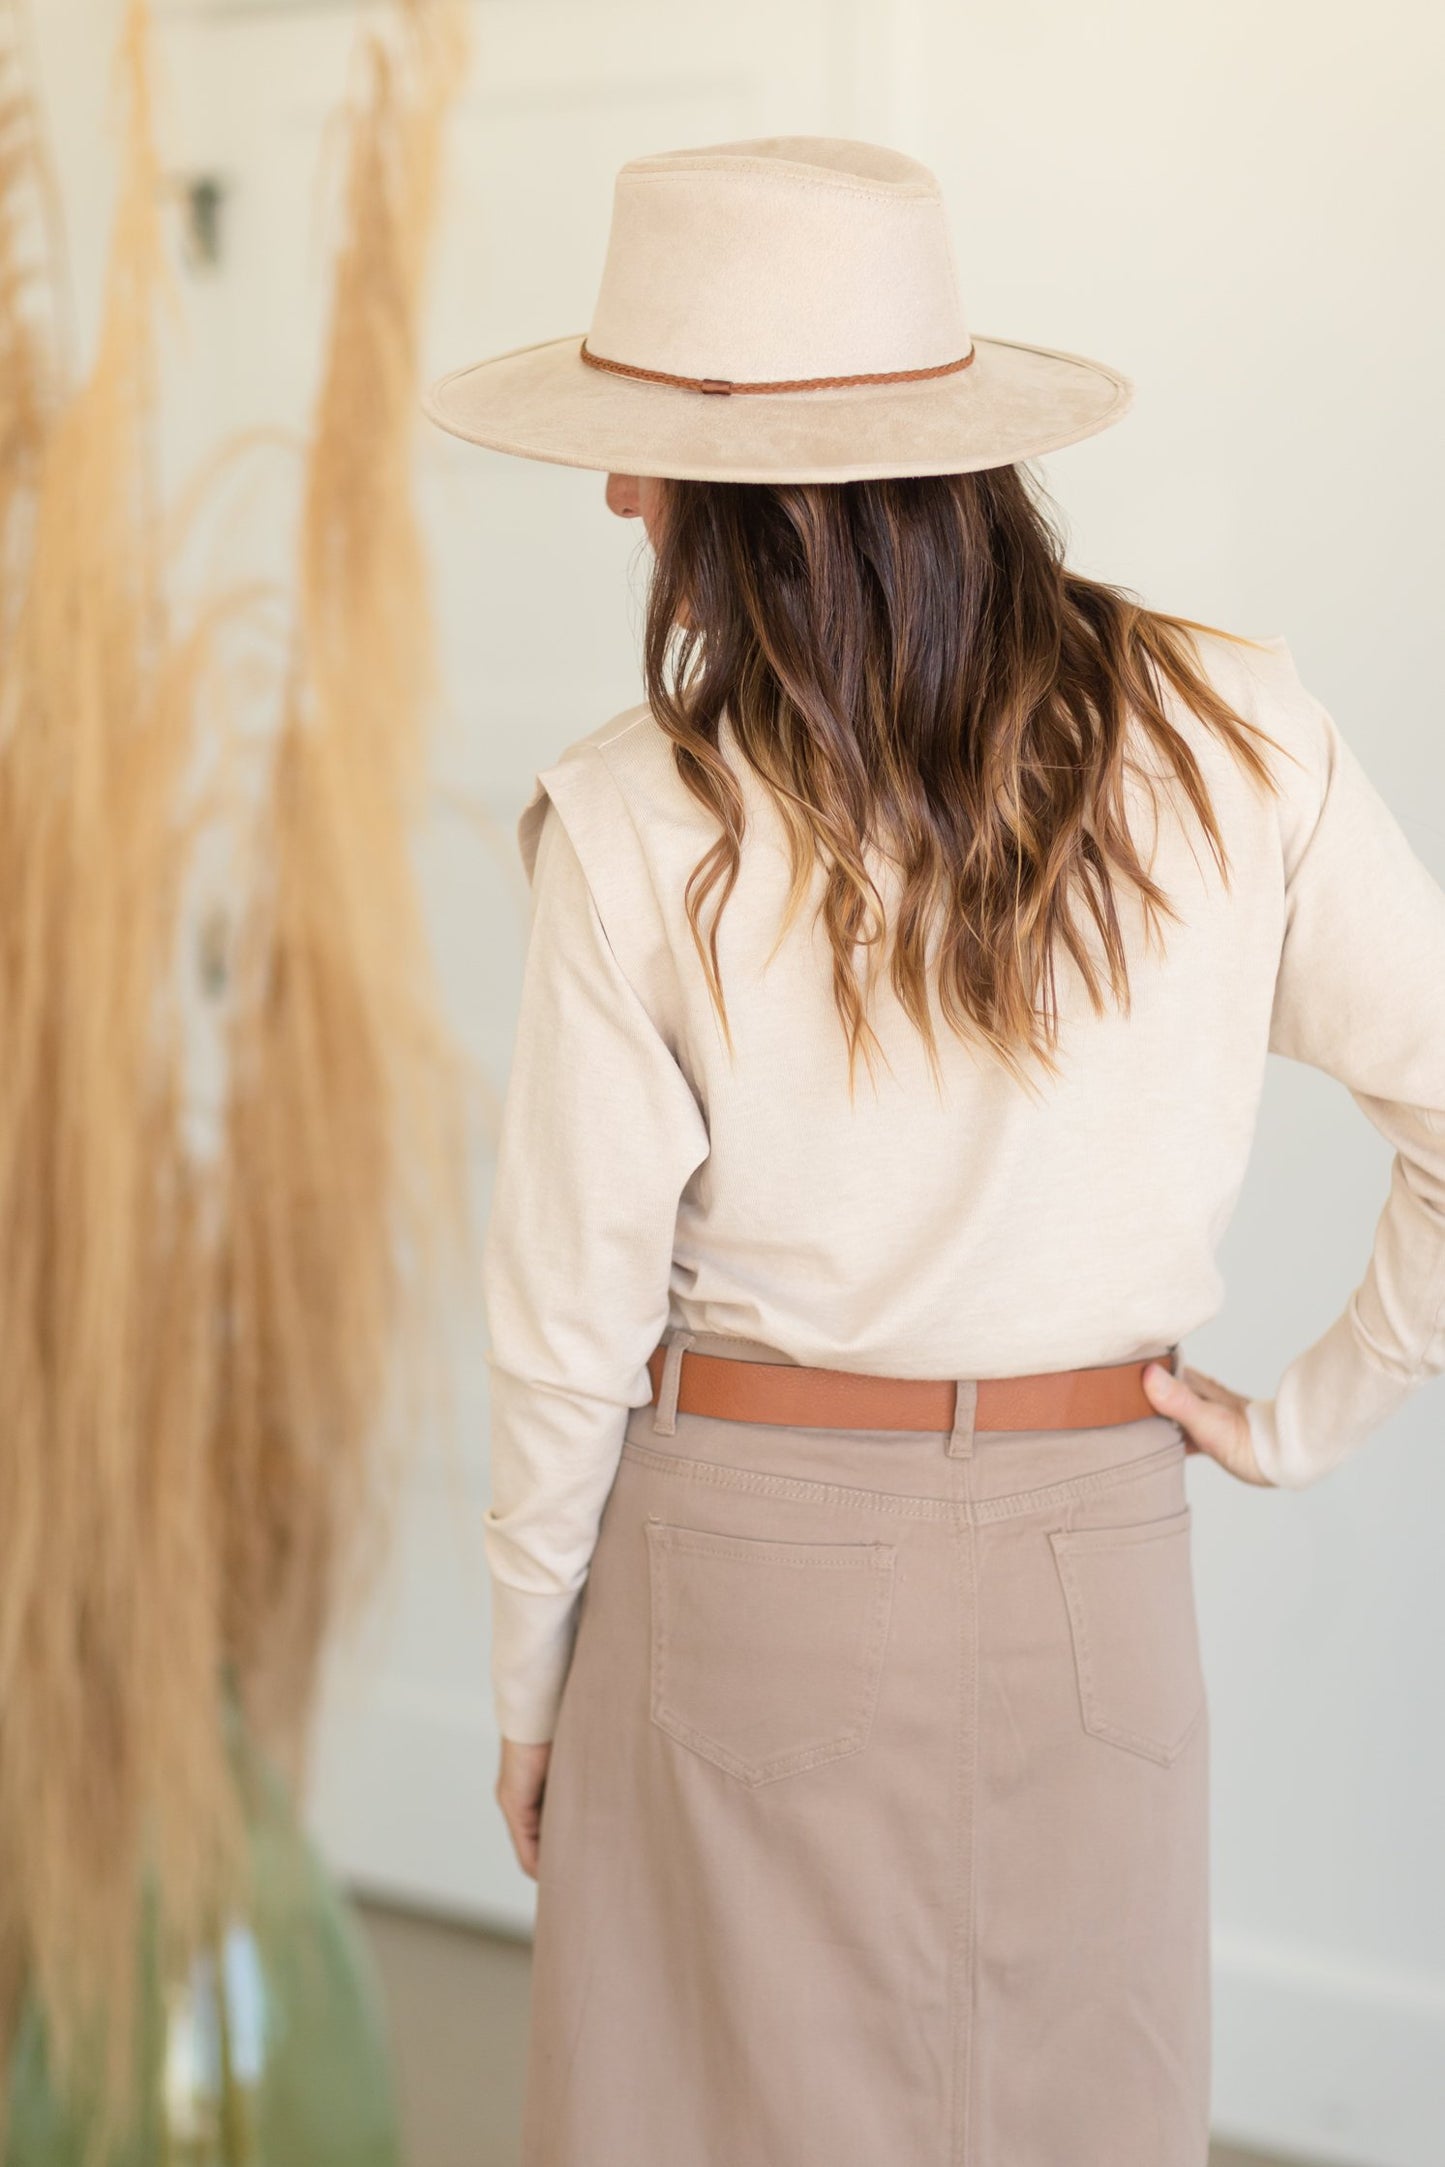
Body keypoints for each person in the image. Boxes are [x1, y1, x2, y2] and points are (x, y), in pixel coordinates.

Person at [423, 134, 1445, 2167]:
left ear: (761, 501)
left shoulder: (641, 817)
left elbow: (565, 1330)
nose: (619, 500)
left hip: (742, 1575)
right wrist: (1303, 1418)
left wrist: (527, 1682)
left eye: (647, 456)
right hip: (1096, 1566)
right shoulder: (1240, 735)